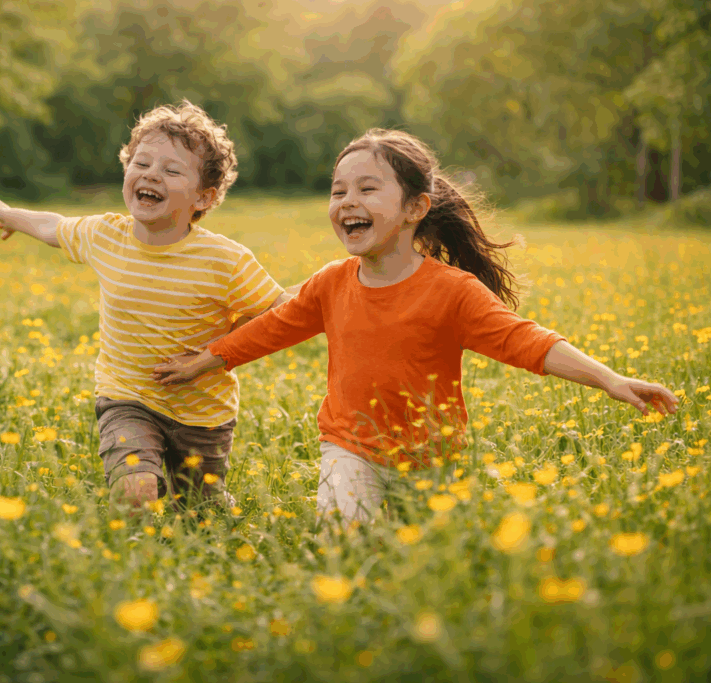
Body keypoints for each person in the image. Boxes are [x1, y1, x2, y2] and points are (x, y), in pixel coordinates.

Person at [152, 128, 680, 523]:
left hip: (432, 460)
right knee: (347, 549)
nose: (347, 203)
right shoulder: (332, 282)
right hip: (348, 446)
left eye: (367, 189)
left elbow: (528, 343)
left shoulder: (452, 292)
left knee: (424, 567)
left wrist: (611, 380)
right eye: (338, 192)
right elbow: (274, 327)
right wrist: (208, 358)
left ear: (415, 208)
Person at [0, 101, 296, 513]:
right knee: (135, 491)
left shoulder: (225, 261)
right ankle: (131, 555)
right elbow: (52, 227)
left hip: (202, 414)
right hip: (126, 397)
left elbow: (281, 312)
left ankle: (202, 501)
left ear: (204, 197)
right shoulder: (104, 235)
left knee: (202, 513)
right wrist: (10, 215)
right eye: (141, 163)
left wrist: (213, 355)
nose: (151, 174)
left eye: (171, 170)